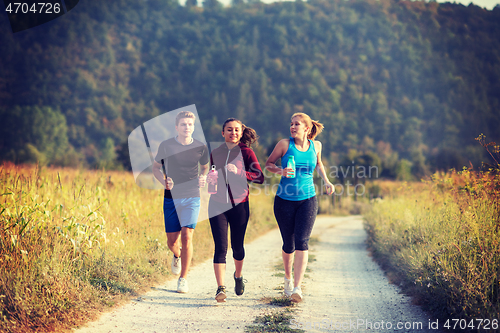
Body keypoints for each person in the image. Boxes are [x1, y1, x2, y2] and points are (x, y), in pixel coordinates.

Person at [265, 112, 334, 303]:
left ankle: (297, 287)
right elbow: (268, 164)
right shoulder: (284, 145)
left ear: (307, 128)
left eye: (297, 124)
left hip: (308, 199)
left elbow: (319, 165)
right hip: (284, 200)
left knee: (302, 241)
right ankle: (287, 279)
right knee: (289, 244)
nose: (292, 127)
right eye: (291, 124)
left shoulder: (316, 146)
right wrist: (281, 170)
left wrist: (327, 181)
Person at [207, 118, 264, 302]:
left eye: (236, 130)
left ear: (241, 132)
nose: (233, 133)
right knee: (220, 247)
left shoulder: (246, 152)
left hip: (239, 204)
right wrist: (210, 181)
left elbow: (259, 177)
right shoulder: (215, 152)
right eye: (229, 130)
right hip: (217, 204)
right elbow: (212, 178)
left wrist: (240, 173)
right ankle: (220, 288)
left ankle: (238, 276)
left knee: (237, 247)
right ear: (222, 133)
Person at [152, 111, 209, 293]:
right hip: (171, 198)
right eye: (183, 124)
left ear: (194, 127)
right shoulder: (166, 145)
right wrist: (164, 182)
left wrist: (203, 177)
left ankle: (183, 278)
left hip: (192, 196)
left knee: (187, 236)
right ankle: (177, 255)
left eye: (190, 124)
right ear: (176, 127)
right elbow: (155, 168)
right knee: (172, 242)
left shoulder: (200, 147)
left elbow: (205, 167)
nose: (187, 127)